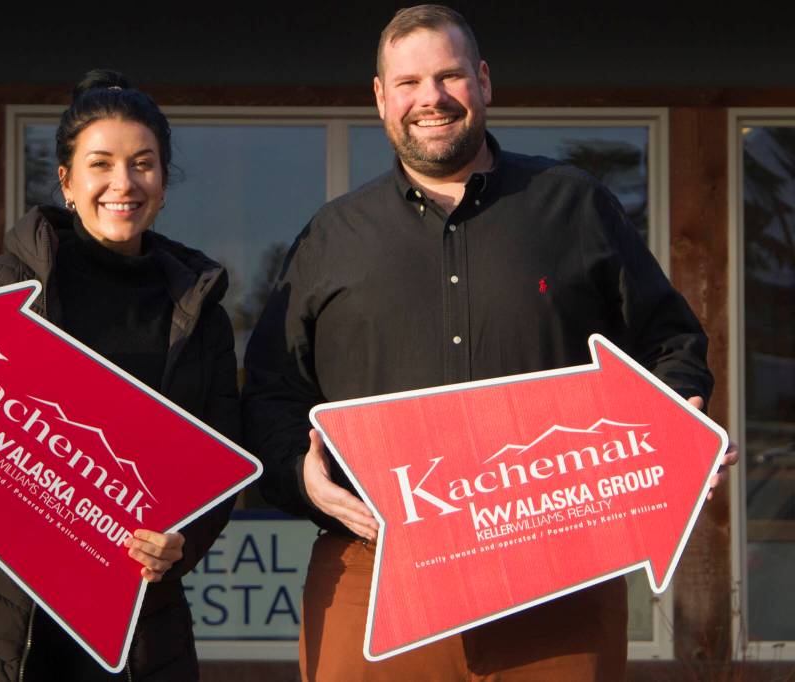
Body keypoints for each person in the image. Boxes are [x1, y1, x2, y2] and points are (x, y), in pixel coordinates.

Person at [242, 6, 737, 682]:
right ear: (381, 98)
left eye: (449, 76)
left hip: (561, 576)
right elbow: (271, 391)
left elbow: (667, 340)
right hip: (373, 571)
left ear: (483, 81)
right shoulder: (331, 237)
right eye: (408, 82)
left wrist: (677, 421)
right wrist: (302, 477)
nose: (431, 98)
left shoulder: (574, 205)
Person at [0, 69, 240, 681]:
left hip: (133, 621)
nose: (123, 183)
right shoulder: (4, 285)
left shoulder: (199, 314)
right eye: (101, 164)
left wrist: (182, 543)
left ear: (164, 183)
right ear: (66, 181)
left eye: (142, 164)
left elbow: (220, 461)